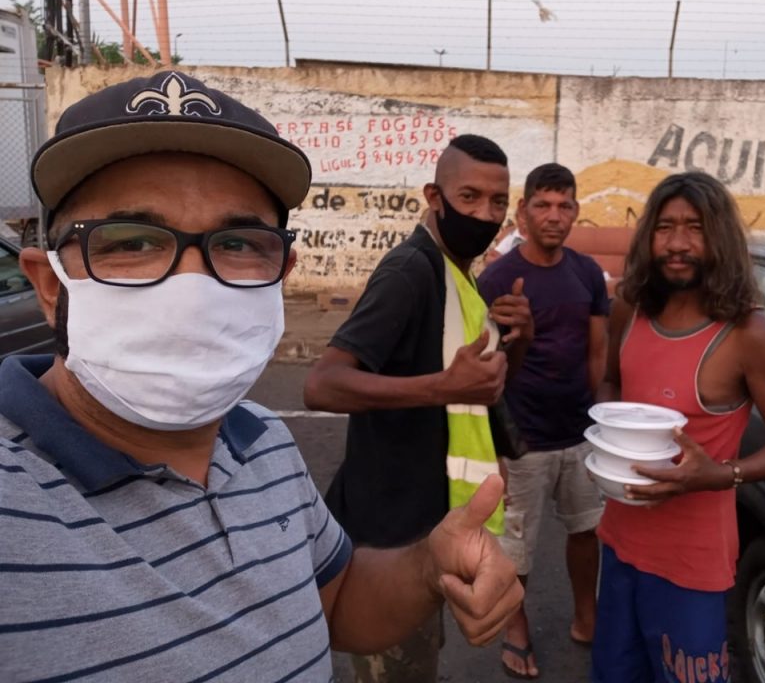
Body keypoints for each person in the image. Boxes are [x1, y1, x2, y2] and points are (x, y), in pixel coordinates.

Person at [2, 71, 523, 682]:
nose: (191, 287)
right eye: (132, 242)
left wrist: (429, 566)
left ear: (282, 271)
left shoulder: (264, 440)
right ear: (49, 284)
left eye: (239, 243)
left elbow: (336, 606)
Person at [304, 134, 534, 682]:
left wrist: (519, 339)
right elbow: (322, 385)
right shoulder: (410, 271)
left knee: (420, 657)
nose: (485, 214)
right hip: (388, 535)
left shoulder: (459, 273)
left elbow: (483, 390)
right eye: (469, 197)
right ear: (435, 196)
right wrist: (442, 387)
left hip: (430, 522)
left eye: (497, 202)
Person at [593, 172, 765, 683]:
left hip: (692, 563)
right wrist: (607, 444)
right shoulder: (630, 308)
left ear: (720, 237)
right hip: (619, 541)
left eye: (695, 228)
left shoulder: (748, 333)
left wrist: (719, 474)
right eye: (665, 227)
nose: (677, 243)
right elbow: (609, 383)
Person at [478, 163, 609, 679]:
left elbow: (597, 352)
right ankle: (516, 628)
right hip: (523, 440)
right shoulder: (496, 279)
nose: (554, 216)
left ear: (575, 212)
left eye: (564, 205)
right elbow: (482, 365)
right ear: (523, 212)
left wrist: (599, 423)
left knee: (586, 531)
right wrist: (493, 445)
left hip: (579, 436)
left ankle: (587, 616)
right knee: (517, 551)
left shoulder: (586, 274)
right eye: (543, 205)